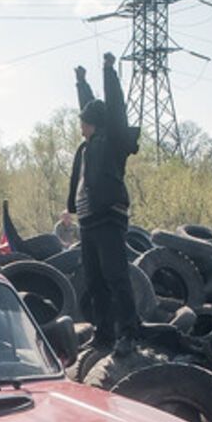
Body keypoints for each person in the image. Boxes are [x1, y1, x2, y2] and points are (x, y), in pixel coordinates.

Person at [67, 52, 140, 354]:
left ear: (93, 123)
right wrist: (81, 82)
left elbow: (114, 108)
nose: (80, 125)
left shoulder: (112, 141)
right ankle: (104, 333)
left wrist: (108, 71)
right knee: (94, 280)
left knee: (115, 277)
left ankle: (130, 333)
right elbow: (91, 106)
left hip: (108, 217)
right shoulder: (86, 146)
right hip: (88, 220)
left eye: (84, 121)